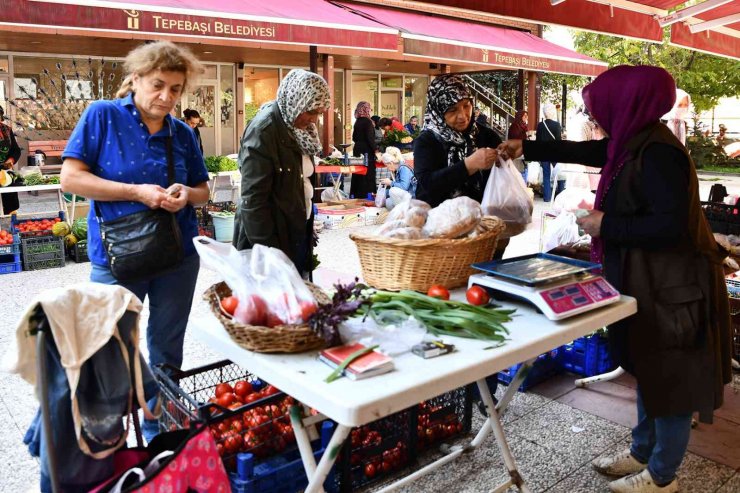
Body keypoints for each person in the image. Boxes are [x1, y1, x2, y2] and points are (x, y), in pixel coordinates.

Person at [498, 65, 732, 493]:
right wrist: (524, 148)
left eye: (602, 109)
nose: (597, 119)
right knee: (648, 366)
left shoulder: (659, 154)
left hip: (676, 289)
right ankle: (643, 451)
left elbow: (670, 227)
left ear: (627, 105)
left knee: (672, 381)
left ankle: (663, 477)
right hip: (652, 281)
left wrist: (607, 225)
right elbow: (591, 152)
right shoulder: (634, 142)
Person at [60, 41, 210, 441]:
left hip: (177, 255)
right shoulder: (102, 116)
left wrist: (184, 193)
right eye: (158, 84)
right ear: (136, 79)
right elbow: (71, 179)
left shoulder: (181, 132)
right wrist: (137, 192)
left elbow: (203, 190)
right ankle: (108, 444)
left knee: (166, 351)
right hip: (116, 257)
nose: (166, 96)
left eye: (176, 89)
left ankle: (159, 433)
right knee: (107, 348)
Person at [233, 69, 330, 274]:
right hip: (270, 238)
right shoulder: (264, 131)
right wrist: (270, 254)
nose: (314, 119)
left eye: (319, 113)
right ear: (297, 101)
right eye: (311, 111)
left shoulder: (300, 131)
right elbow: (253, 200)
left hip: (294, 232)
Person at [413, 74, 500, 209]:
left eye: (466, 106)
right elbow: (427, 183)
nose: (462, 116)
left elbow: (497, 181)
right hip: (436, 222)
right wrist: (468, 165)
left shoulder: (487, 136)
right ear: (438, 111)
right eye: (452, 110)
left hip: (479, 222)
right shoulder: (427, 140)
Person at [348, 101, 377, 201]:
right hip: (366, 151)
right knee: (367, 172)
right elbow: (370, 139)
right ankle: (367, 195)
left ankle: (356, 194)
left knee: (358, 172)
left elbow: (354, 137)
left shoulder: (357, 121)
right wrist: (376, 150)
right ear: (366, 109)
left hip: (357, 150)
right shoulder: (368, 122)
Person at [537, 102, 563, 202]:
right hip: (554, 153)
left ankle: (547, 197)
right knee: (559, 173)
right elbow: (559, 141)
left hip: (543, 153)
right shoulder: (557, 125)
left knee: (546, 176)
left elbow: (538, 142)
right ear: (552, 113)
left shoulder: (540, 125)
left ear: (544, 113)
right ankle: (560, 195)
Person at [0, 106, 21, 213]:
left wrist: (11, 160)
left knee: (10, 188)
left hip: (4, 169)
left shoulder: (7, 130)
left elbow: (16, 150)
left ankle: (11, 217)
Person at [507, 110, 529, 182]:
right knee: (517, 175)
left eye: (527, 115)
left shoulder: (524, 126)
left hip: (522, 153)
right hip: (516, 154)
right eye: (524, 116)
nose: (526, 117)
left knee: (523, 172)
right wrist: (525, 135)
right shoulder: (514, 126)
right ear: (520, 116)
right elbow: (515, 139)